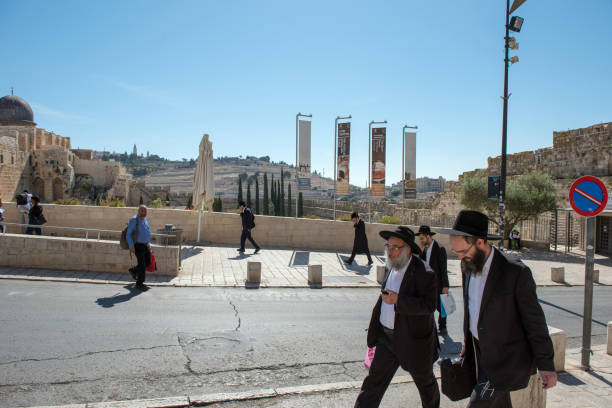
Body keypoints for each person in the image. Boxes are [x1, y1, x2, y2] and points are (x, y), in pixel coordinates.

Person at [439, 210, 556, 407]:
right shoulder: (467, 265)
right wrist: (468, 339)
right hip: (479, 356)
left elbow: (534, 321)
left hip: (505, 361)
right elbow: (472, 307)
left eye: (463, 252)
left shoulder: (515, 272)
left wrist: (547, 365)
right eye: (456, 252)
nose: (460, 258)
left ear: (480, 242)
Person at [355, 226, 440, 408]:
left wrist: (399, 300)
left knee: (426, 385)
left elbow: (428, 306)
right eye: (388, 246)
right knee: (373, 384)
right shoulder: (392, 266)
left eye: (395, 247)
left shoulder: (425, 273)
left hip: (413, 341)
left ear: (408, 249)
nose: (390, 251)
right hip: (387, 340)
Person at [416, 225, 449, 334]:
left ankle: (443, 326)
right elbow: (419, 265)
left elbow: (443, 268)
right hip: (427, 283)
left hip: (439, 282)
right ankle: (429, 326)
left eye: (422, 238)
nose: (420, 241)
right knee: (428, 305)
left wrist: (445, 286)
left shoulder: (440, 249)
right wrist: (420, 252)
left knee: (442, 306)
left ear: (428, 236)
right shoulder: (423, 248)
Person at [126, 205, 152, 290]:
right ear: (138, 211)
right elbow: (128, 234)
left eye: (145, 211)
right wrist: (131, 246)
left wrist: (149, 244)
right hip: (137, 245)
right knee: (142, 264)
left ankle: (133, 270)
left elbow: (147, 232)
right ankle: (139, 283)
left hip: (146, 245)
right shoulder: (134, 220)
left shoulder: (146, 220)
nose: (144, 213)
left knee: (148, 262)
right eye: (142, 211)